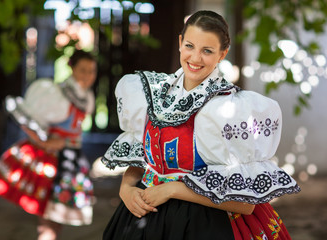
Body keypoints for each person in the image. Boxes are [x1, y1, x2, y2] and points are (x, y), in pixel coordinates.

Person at [101, 10, 301, 240]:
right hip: (147, 219)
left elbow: (245, 206)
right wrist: (126, 189)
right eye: (190, 46)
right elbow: (142, 160)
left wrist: (173, 189)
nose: (195, 58)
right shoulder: (150, 93)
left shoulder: (229, 111)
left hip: (205, 224)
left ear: (222, 54)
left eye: (207, 51)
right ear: (179, 42)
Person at [0, 49, 97, 240]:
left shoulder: (86, 97)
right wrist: (44, 142)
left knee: (58, 216)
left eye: (91, 71)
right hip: (52, 160)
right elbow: (27, 121)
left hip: (72, 160)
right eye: (83, 70)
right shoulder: (57, 94)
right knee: (47, 220)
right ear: (72, 69)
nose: (87, 75)